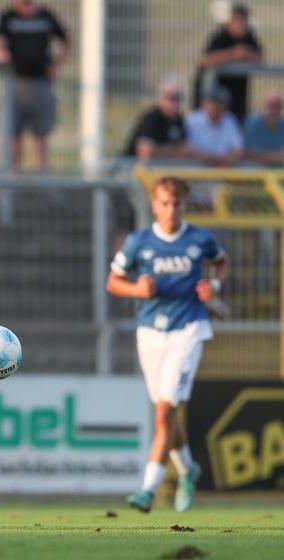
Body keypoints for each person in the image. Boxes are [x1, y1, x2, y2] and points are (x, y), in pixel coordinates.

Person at [107, 176, 228, 513]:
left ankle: (147, 490)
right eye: (164, 203)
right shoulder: (139, 242)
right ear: (154, 205)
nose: (171, 209)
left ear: (184, 205)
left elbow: (221, 261)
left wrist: (214, 288)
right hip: (149, 332)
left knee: (164, 413)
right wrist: (137, 290)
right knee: (166, 416)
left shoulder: (200, 238)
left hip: (189, 328)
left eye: (177, 204)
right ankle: (189, 470)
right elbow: (113, 281)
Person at [0, 0, 70, 172]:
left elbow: (66, 40)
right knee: (14, 136)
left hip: (40, 83)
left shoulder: (45, 16)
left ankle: (42, 185)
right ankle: (11, 185)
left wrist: (57, 65)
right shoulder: (8, 17)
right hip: (15, 84)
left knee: (40, 137)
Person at [194, 3, 262, 124]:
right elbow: (205, 60)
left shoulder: (249, 36)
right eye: (238, 21)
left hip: (237, 96)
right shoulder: (221, 36)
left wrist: (246, 55)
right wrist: (232, 55)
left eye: (244, 21)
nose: (241, 25)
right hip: (216, 96)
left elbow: (258, 57)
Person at [123, 78, 188, 161]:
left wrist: (160, 150)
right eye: (169, 97)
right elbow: (145, 152)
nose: (173, 103)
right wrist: (173, 151)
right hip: (132, 169)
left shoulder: (179, 119)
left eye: (177, 98)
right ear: (160, 98)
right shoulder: (152, 118)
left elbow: (185, 150)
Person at [185, 87, 243, 167]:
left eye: (222, 104)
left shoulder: (230, 120)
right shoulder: (191, 120)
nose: (218, 107)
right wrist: (217, 158)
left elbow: (238, 150)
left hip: (222, 171)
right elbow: (188, 151)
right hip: (195, 171)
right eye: (214, 103)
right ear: (204, 103)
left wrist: (227, 159)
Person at [244, 90, 284, 166]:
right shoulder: (252, 123)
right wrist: (277, 157)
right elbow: (250, 154)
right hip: (256, 166)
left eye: (277, 106)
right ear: (263, 106)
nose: (274, 110)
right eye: (271, 106)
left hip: (278, 167)